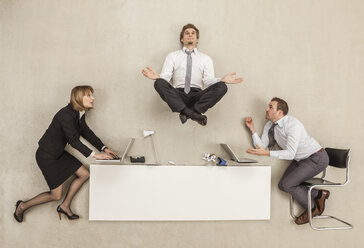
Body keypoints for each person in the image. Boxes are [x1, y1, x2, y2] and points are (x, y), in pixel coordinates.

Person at [14, 85, 118, 222]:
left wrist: (104, 148)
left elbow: (86, 132)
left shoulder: (79, 113)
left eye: (92, 95)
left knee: (84, 174)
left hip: (58, 153)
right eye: (89, 95)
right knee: (55, 195)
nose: (93, 98)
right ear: (78, 97)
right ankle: (22, 206)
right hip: (47, 156)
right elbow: (73, 140)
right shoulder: (65, 114)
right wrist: (95, 155)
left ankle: (65, 206)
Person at [244, 97, 330, 225]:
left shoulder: (293, 125)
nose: (266, 109)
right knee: (282, 185)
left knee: (288, 184)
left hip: (316, 158)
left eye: (270, 107)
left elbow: (290, 153)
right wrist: (252, 129)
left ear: (280, 112)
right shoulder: (270, 125)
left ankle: (313, 209)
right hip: (300, 159)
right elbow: (261, 145)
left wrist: (267, 153)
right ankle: (318, 194)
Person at [142, 23, 243, 126]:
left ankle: (187, 112)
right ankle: (193, 115)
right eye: (187, 33)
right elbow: (166, 76)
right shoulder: (172, 56)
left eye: (193, 33)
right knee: (159, 83)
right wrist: (158, 77)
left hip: (197, 95)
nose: (190, 35)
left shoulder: (206, 59)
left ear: (197, 39)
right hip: (178, 94)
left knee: (222, 87)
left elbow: (208, 81)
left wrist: (222, 80)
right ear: (182, 39)